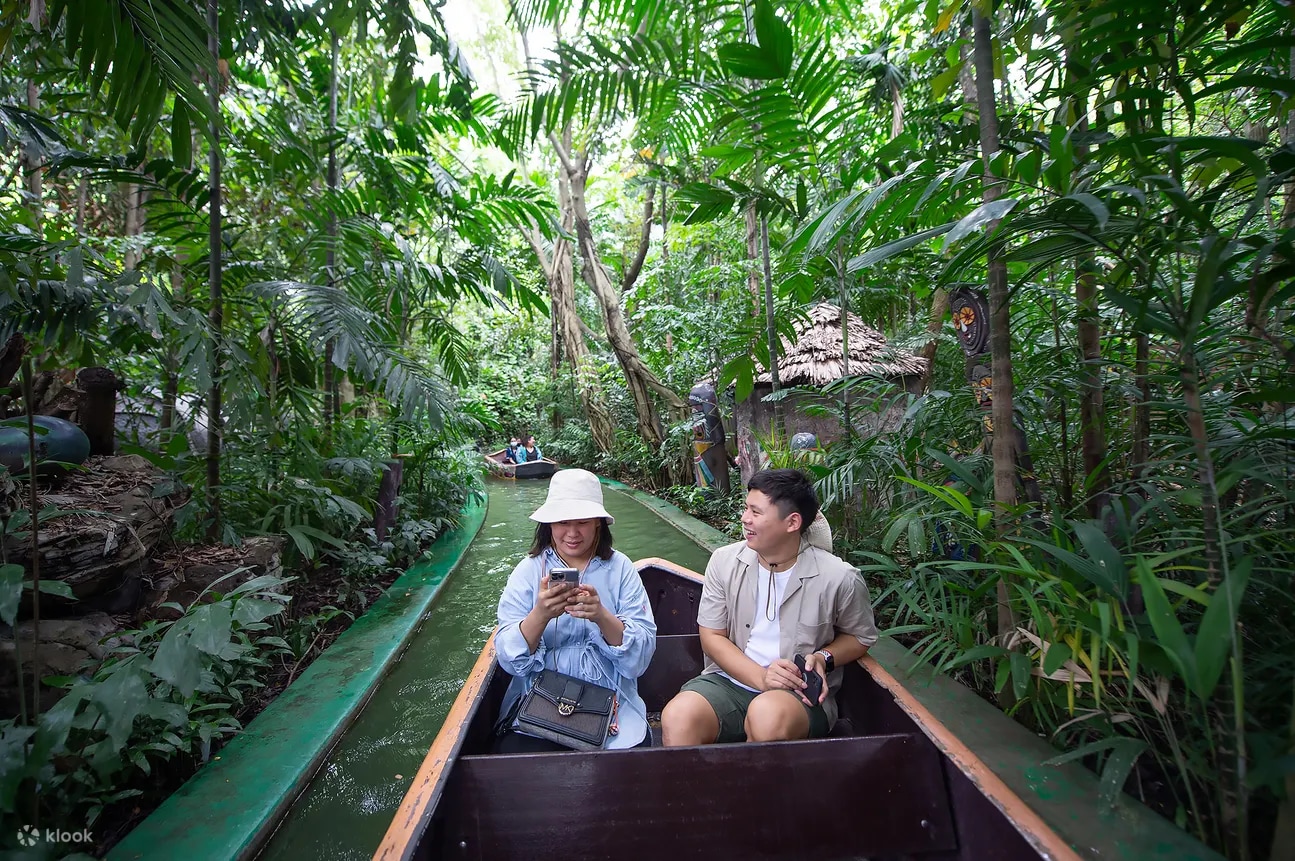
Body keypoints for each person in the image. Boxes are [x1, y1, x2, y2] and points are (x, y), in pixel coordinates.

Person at [660, 468, 877, 746]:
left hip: (796, 694)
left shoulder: (838, 578)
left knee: (767, 716)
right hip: (730, 681)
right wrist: (762, 678)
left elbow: (860, 637)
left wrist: (823, 657)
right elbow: (712, 636)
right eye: (746, 508)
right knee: (678, 717)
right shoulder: (724, 562)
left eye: (756, 512)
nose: (744, 518)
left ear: (792, 522)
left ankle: (751, 787)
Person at [494, 469, 657, 751]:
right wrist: (540, 615)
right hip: (539, 700)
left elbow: (639, 661)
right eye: (562, 522)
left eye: (582, 522)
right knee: (511, 757)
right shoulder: (528, 571)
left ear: (598, 523)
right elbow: (509, 660)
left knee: (632, 759)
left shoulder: (621, 570)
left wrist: (601, 616)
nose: (572, 533)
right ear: (549, 525)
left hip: (611, 701)